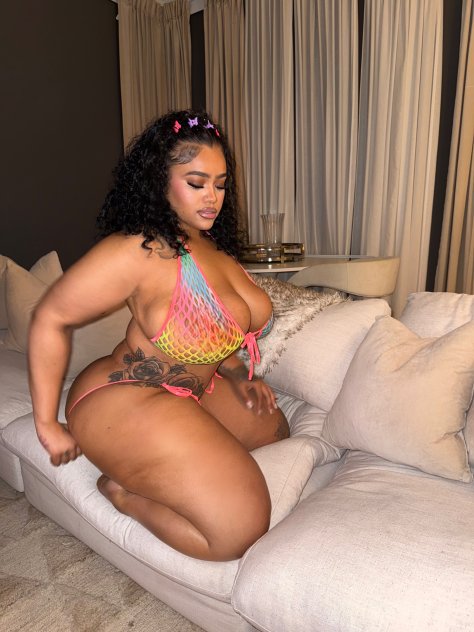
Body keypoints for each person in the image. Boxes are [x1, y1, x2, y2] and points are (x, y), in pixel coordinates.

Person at [28, 109, 290, 561]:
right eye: (196, 182)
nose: (212, 198)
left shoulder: (212, 244)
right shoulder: (139, 249)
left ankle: (177, 455)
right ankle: (123, 493)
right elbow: (50, 318)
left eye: (220, 184)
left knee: (274, 431)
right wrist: (47, 425)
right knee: (239, 528)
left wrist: (236, 374)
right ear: (158, 181)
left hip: (187, 391)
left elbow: (217, 332)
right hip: (123, 396)